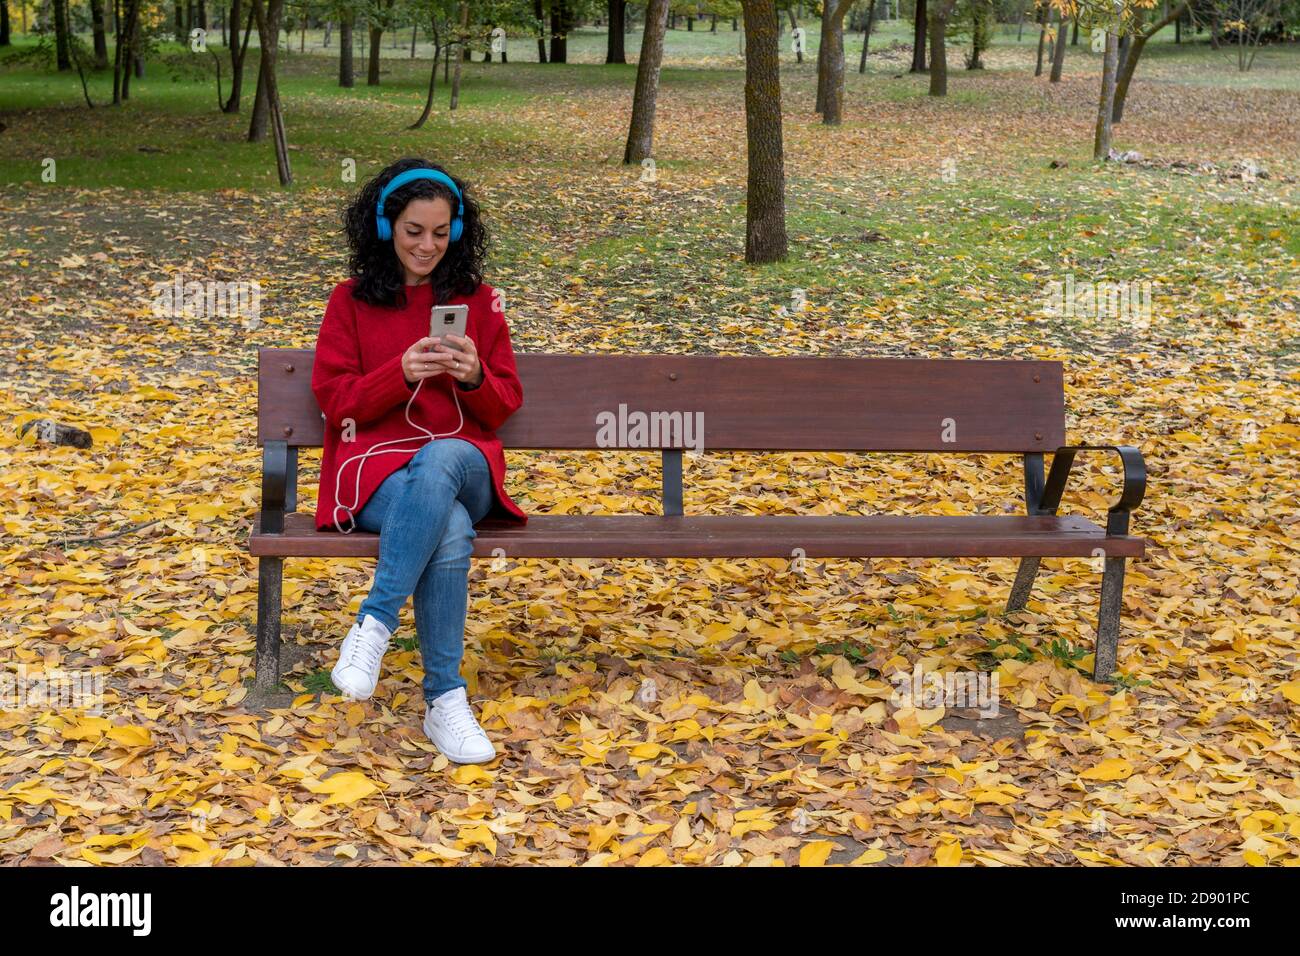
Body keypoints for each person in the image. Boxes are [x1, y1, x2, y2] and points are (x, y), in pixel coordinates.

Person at [310, 158, 528, 764]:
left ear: (456, 231)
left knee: (443, 458)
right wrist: (397, 373)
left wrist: (474, 375)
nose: (427, 245)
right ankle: (445, 701)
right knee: (449, 528)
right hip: (378, 472)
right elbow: (336, 402)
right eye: (413, 231)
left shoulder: (479, 302)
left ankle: (374, 624)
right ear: (385, 227)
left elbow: (504, 403)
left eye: (440, 231)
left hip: (466, 464)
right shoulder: (350, 302)